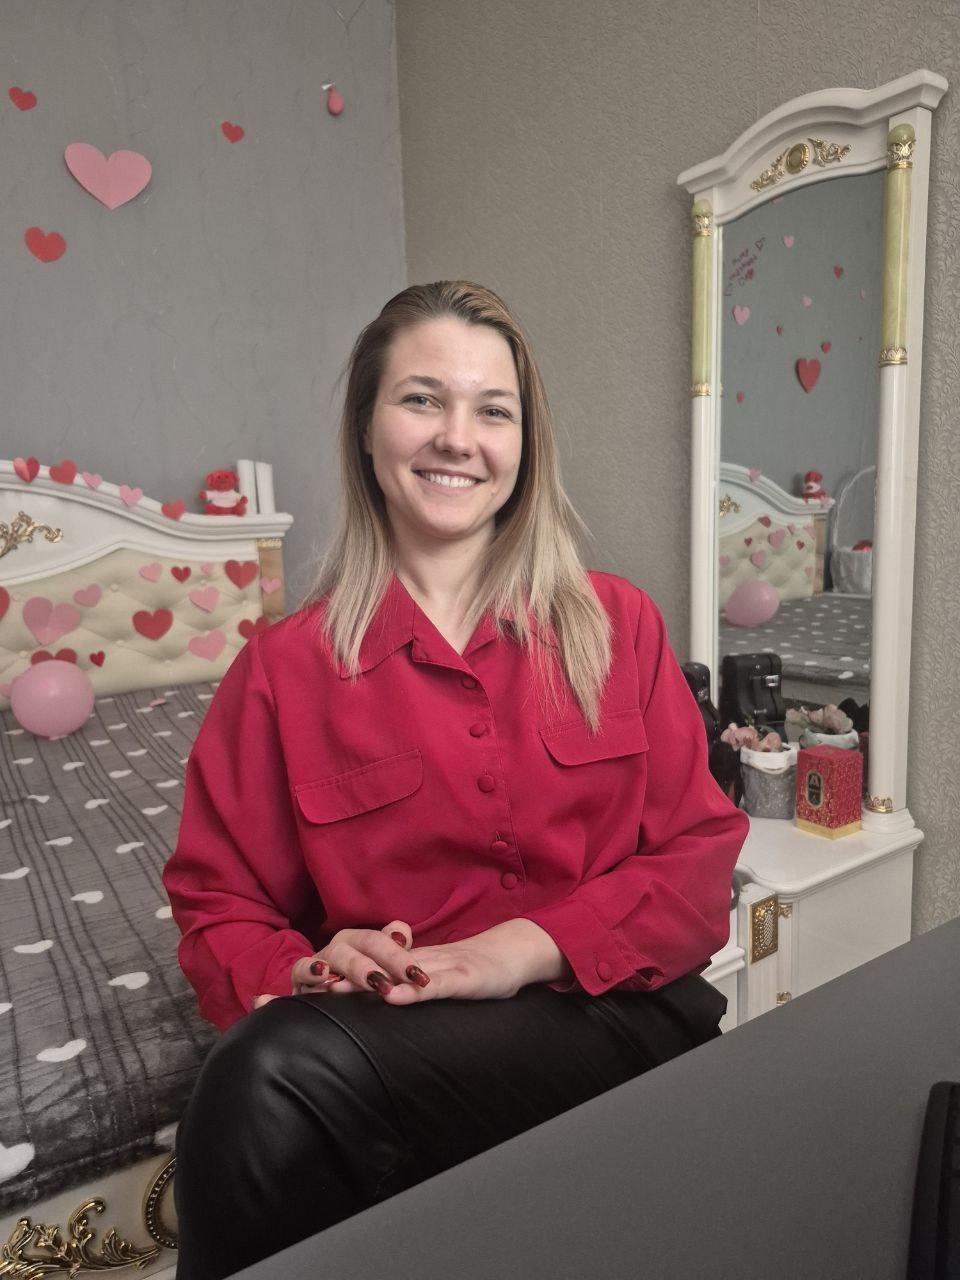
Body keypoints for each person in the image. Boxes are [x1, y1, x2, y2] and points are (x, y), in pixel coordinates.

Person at [163, 280, 750, 1280]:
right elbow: (219, 904)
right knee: (267, 1069)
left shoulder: (619, 624)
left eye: (493, 410)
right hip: (403, 1040)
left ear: (525, 443)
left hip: (616, 1010)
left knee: (264, 1081)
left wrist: (515, 951)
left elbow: (698, 865)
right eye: (422, 399)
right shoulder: (281, 670)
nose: (457, 438)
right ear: (367, 428)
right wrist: (307, 969)